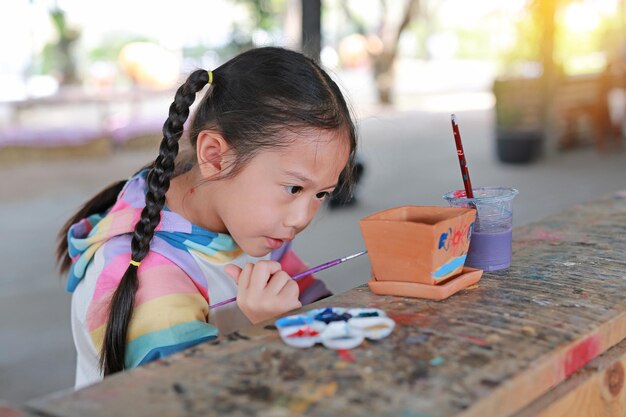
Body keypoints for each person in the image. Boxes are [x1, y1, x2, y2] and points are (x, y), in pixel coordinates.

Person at [56, 47, 358, 388]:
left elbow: (320, 304)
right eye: (293, 188)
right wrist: (277, 329)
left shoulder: (252, 225)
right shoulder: (145, 274)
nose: (302, 218)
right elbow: (190, 397)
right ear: (214, 157)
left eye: (321, 194)